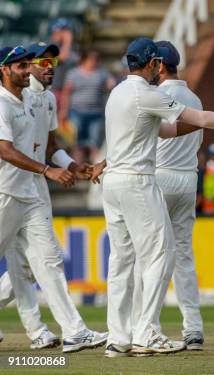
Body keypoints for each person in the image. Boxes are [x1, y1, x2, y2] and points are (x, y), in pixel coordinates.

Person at [94, 37, 214, 358]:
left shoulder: (117, 92)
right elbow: (204, 120)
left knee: (121, 261)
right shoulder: (148, 94)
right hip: (137, 181)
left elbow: (166, 131)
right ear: (153, 64)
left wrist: (197, 122)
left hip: (113, 182)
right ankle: (146, 333)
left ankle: (119, 338)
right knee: (163, 252)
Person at [0, 45, 108, 353]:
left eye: (53, 61)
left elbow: (47, 147)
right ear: (7, 70)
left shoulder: (44, 99)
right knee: (22, 268)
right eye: (39, 62)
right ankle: (38, 329)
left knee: (49, 262)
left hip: (31, 194)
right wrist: (48, 171)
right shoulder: (4, 102)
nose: (49, 67)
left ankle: (74, 331)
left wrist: (74, 166)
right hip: (5, 192)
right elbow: (5, 150)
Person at [131, 40, 205, 351]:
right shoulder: (195, 98)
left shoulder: (155, 96)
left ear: (159, 66)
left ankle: (145, 326)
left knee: (148, 256)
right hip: (188, 180)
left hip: (158, 178)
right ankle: (194, 328)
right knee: (183, 257)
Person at [60, 49, 116, 163]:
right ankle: (77, 171)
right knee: (77, 144)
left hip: (96, 113)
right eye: (92, 58)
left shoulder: (102, 73)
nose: (95, 61)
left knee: (94, 144)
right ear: (84, 59)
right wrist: (63, 111)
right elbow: (66, 93)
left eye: (97, 58)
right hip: (77, 112)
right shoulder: (73, 73)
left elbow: (112, 85)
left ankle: (95, 174)